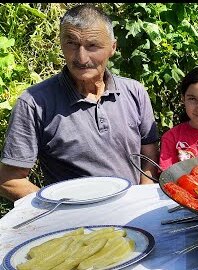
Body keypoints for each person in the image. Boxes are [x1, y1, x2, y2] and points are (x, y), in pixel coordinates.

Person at [0, 4, 160, 201]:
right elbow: (9, 180)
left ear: (113, 48)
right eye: (72, 44)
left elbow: (149, 151)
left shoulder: (134, 92)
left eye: (92, 46)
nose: (81, 58)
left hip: (131, 211)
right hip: (76, 226)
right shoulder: (34, 102)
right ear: (60, 44)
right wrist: (62, 209)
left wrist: (141, 198)